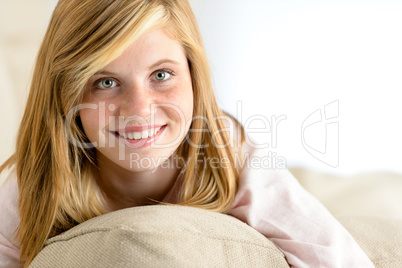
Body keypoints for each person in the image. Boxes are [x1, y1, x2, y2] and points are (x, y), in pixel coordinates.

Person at [0, 0, 374, 267]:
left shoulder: (230, 153)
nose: (139, 109)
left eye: (161, 75)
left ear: (194, 76)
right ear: (66, 94)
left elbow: (337, 256)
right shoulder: (25, 187)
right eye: (106, 81)